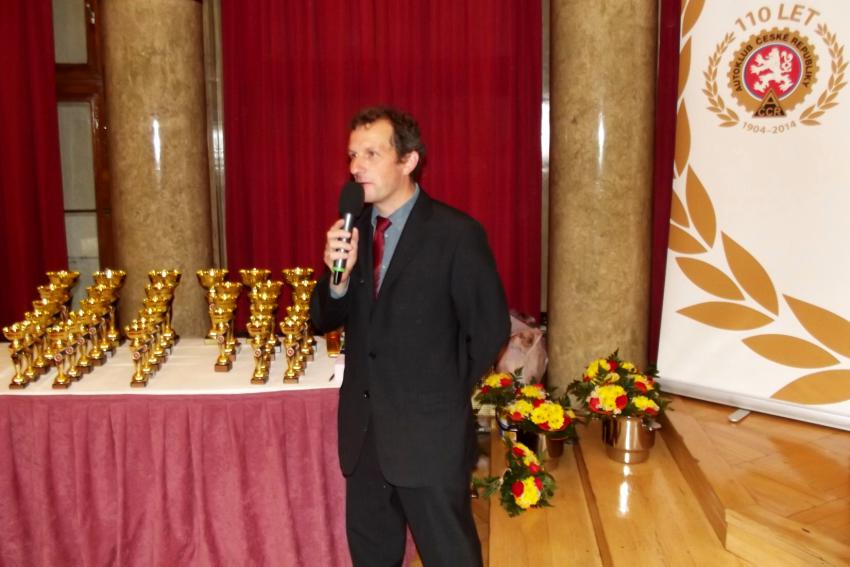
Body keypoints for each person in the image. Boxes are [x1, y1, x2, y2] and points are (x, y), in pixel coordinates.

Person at [311, 106, 510, 567]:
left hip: (428, 436)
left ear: (408, 160)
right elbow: (322, 319)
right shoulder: (351, 232)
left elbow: (489, 328)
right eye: (352, 155)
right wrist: (338, 277)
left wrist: (445, 394)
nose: (356, 167)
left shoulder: (456, 234)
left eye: (371, 154)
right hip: (364, 436)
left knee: (450, 556)